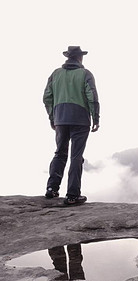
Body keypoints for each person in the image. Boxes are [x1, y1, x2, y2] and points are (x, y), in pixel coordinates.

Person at [43, 46, 100, 205]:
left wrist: (52, 118)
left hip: (60, 119)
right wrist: (96, 118)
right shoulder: (85, 74)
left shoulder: (56, 74)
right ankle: (72, 195)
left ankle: (51, 189)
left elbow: (47, 97)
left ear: (68, 57)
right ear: (79, 58)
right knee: (76, 156)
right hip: (80, 120)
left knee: (60, 153)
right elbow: (92, 96)